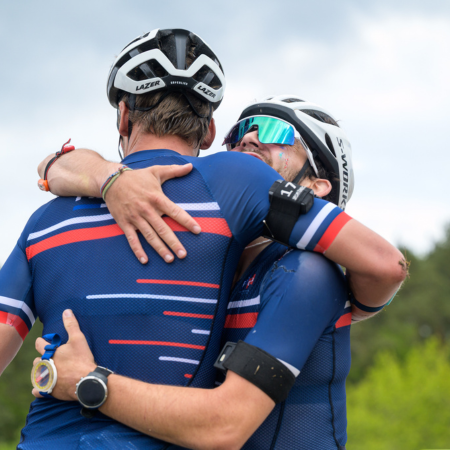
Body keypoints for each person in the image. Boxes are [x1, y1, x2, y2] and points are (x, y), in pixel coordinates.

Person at [0, 28, 404, 449]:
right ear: (210, 133)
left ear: (122, 116)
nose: (249, 141)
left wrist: (89, 381)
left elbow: (385, 266)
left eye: (273, 133)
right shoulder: (226, 211)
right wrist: (103, 176)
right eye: (239, 133)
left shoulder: (44, 222)